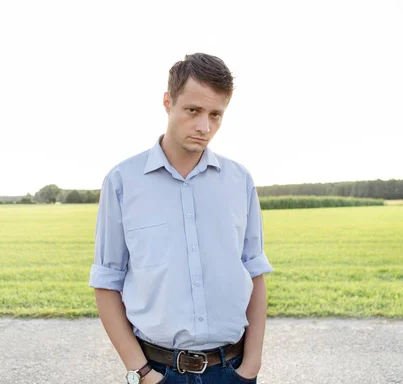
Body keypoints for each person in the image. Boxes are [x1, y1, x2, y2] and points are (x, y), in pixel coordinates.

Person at [89, 53, 273, 383]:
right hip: (157, 372)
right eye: (193, 111)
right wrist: (142, 372)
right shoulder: (122, 182)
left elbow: (255, 272)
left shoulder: (239, 181)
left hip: (233, 370)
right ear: (167, 102)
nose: (204, 127)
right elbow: (106, 282)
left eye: (216, 115)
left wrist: (252, 367)